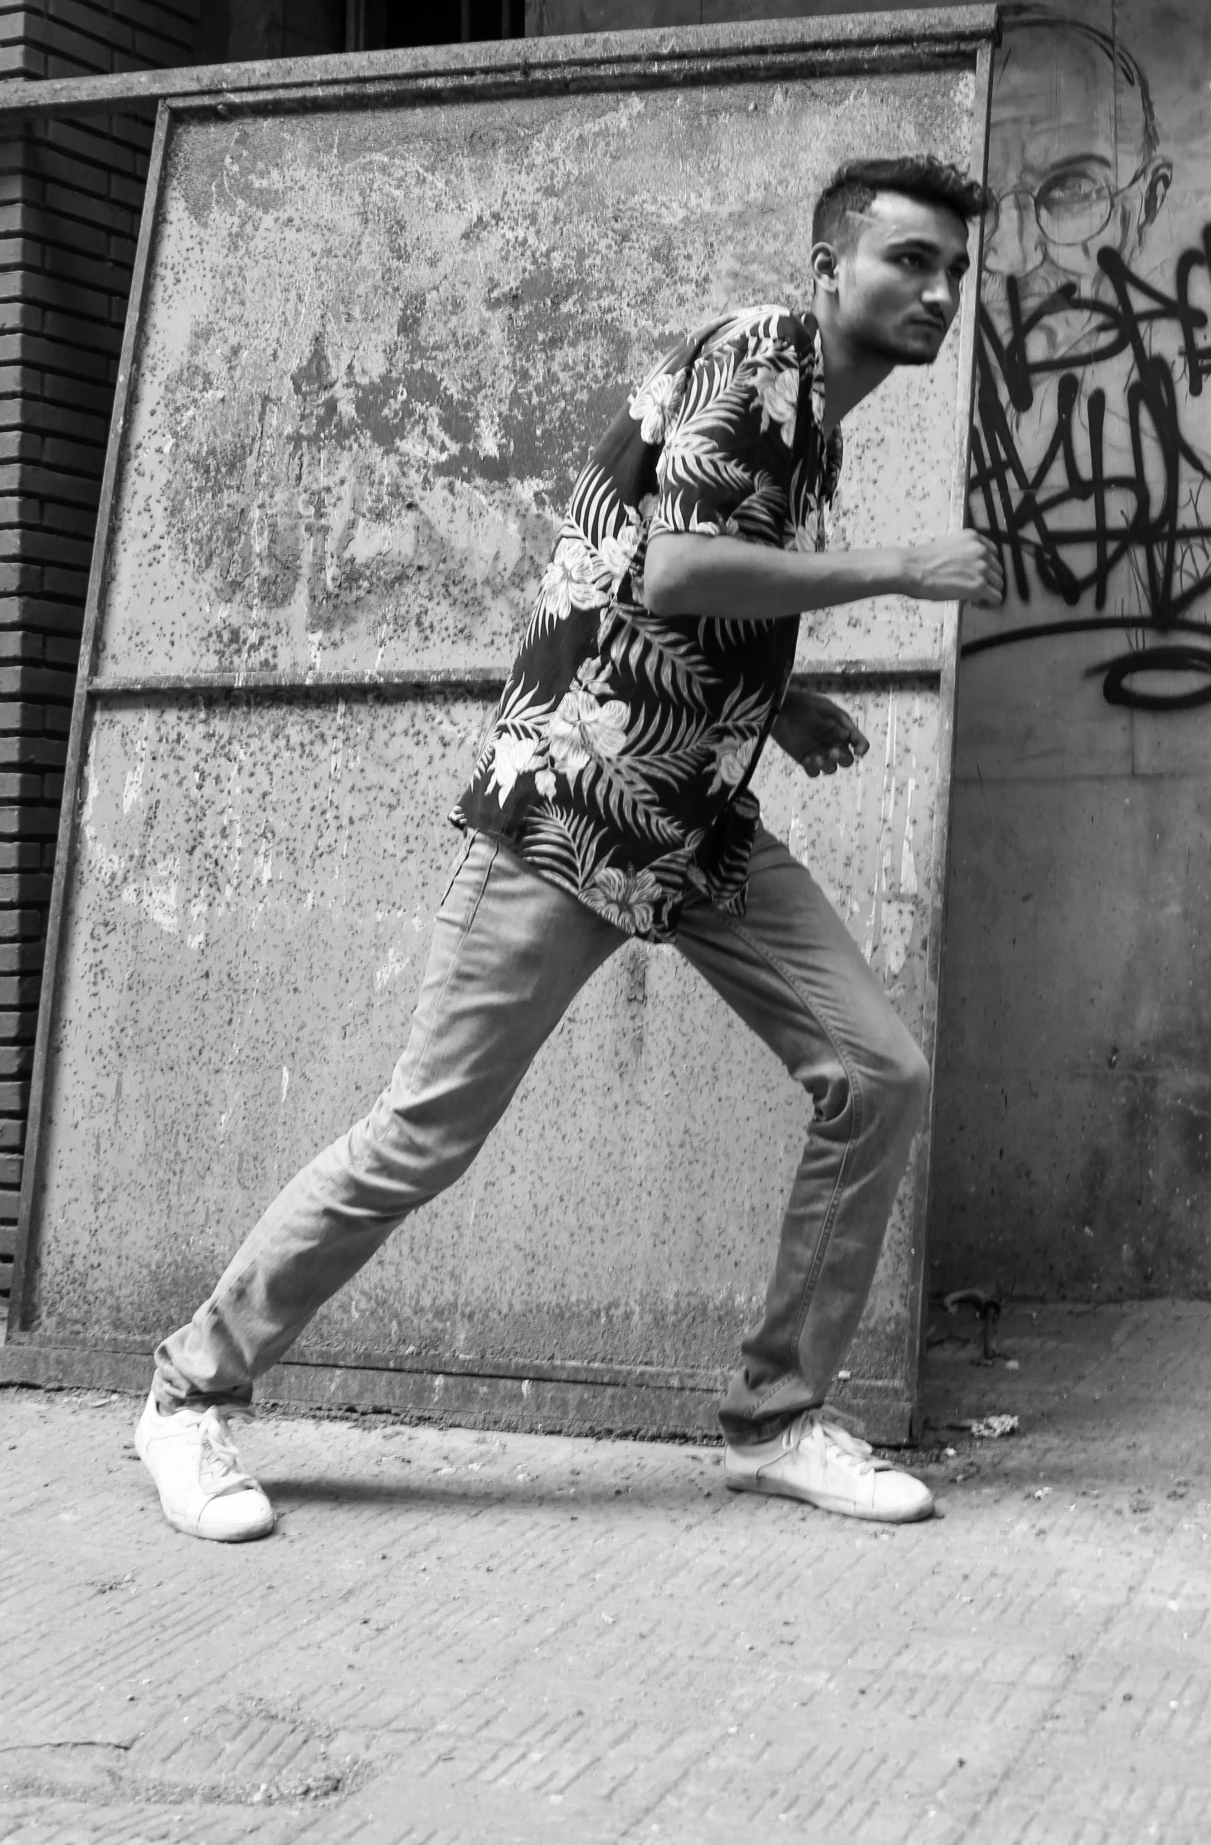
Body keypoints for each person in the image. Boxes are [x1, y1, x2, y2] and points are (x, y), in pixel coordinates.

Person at [134, 154, 1002, 1542]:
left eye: (954, 270)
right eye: (909, 259)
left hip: (697, 827)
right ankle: (190, 1391)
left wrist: (776, 696)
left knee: (876, 1070)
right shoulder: (761, 354)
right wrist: (897, 569)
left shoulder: (814, 422)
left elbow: (635, 575)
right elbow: (673, 569)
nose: (937, 289)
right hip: (572, 810)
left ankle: (779, 1417)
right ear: (830, 266)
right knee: (425, 1130)